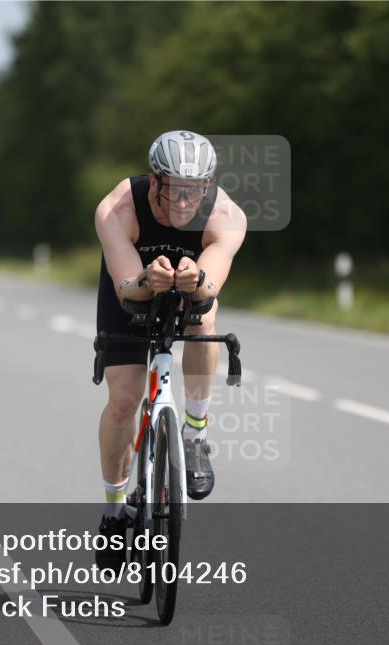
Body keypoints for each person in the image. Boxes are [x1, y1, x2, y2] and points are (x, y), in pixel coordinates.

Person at [92, 130, 246, 569]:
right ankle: (113, 512)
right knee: (123, 402)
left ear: (207, 187)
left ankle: (194, 433)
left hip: (188, 287)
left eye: (194, 191)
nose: (184, 202)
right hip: (130, 291)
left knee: (204, 316)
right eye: (174, 190)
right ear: (154, 181)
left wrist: (195, 281)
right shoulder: (118, 209)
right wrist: (147, 280)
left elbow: (209, 287)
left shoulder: (225, 214)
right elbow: (126, 289)